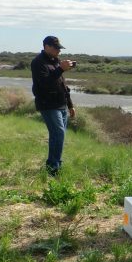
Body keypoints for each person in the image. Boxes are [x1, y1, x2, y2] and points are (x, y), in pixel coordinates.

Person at [31, 35, 76, 176]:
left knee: (58, 136)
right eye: (56, 48)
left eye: (59, 48)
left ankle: (55, 165)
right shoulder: (38, 62)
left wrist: (70, 105)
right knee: (58, 133)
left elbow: (62, 85)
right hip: (48, 105)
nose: (59, 51)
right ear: (46, 46)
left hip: (61, 104)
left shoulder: (55, 61)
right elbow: (45, 83)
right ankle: (53, 168)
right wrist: (60, 69)